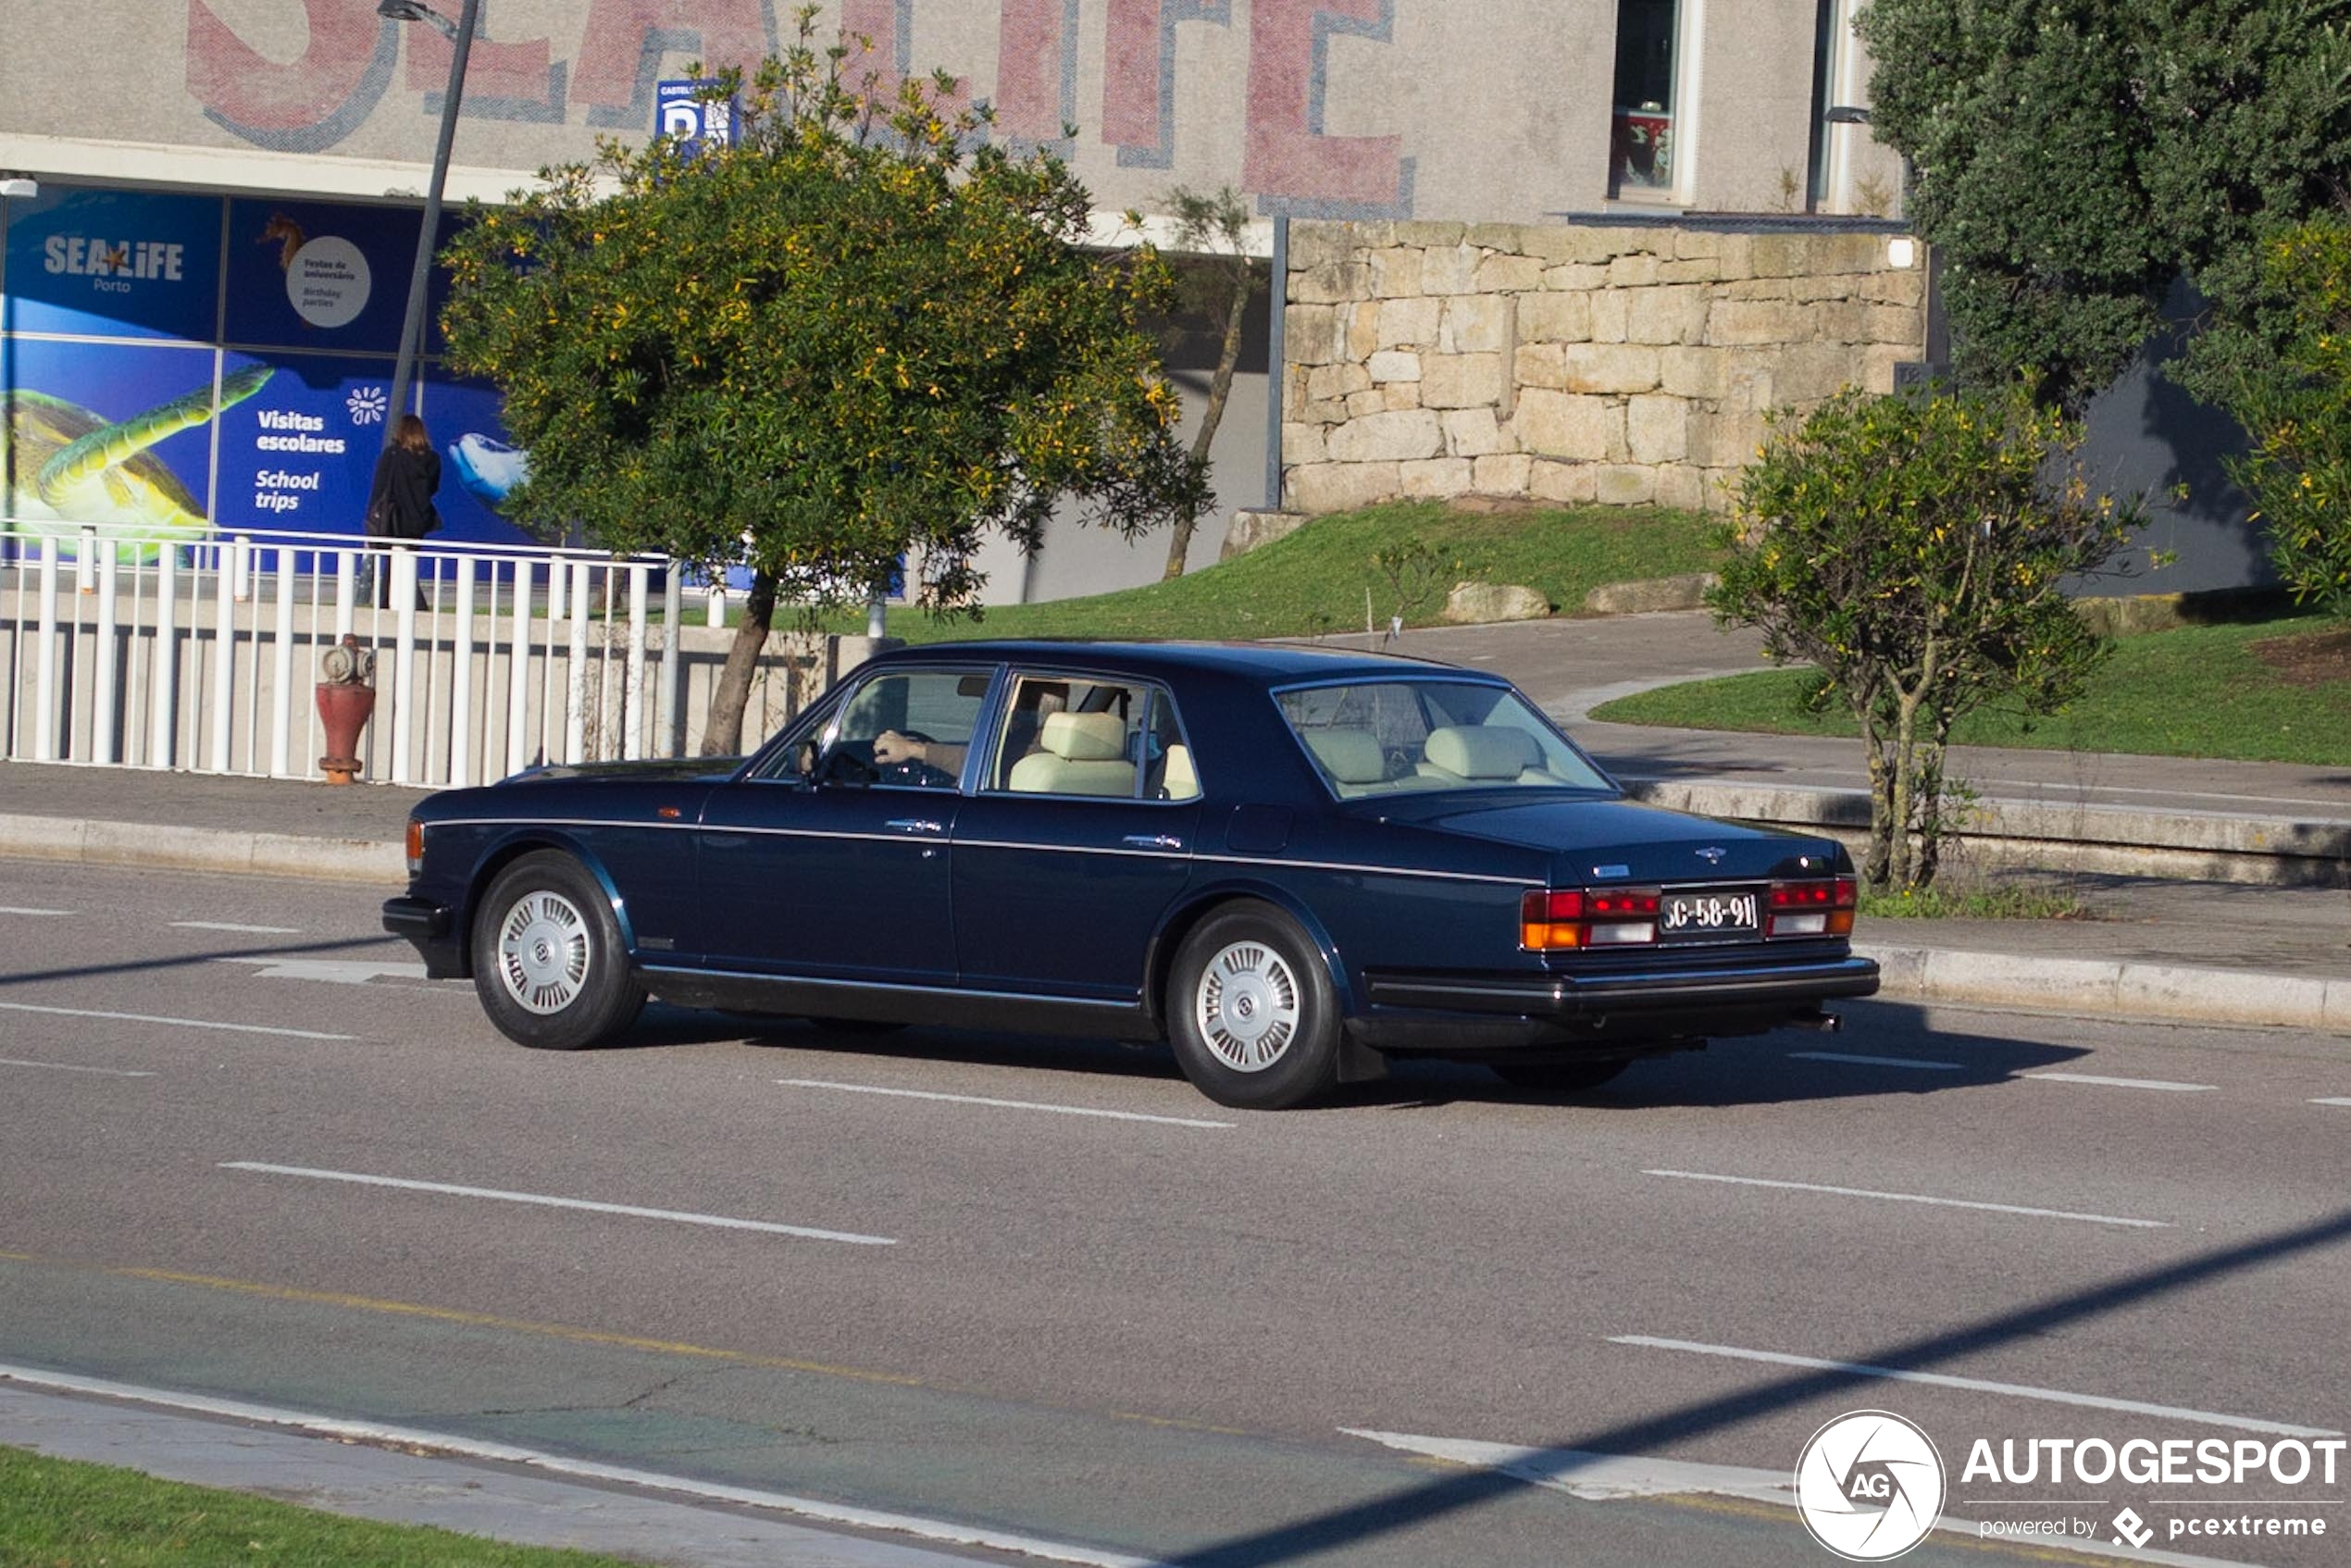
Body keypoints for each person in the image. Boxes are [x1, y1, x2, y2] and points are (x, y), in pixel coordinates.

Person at [362, 414, 442, 609]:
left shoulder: (392, 455)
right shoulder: (432, 459)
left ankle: (400, 606)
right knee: (405, 564)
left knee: (393, 564)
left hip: (393, 518)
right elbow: (432, 488)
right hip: (418, 520)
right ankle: (393, 604)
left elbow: (380, 488)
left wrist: (371, 519)